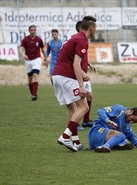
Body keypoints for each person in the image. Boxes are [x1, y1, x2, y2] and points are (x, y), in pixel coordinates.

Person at [52, 16, 97, 152]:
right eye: (95, 28)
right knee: (84, 108)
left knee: (72, 109)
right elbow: (76, 64)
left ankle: (76, 142)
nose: (96, 30)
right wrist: (81, 85)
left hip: (57, 76)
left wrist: (84, 73)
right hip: (67, 77)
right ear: (91, 28)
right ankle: (65, 136)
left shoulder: (74, 37)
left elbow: (69, 59)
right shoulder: (82, 40)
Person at [76, 20, 96, 130]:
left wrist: (89, 64)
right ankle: (76, 122)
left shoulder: (85, 41)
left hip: (84, 72)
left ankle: (86, 120)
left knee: (89, 96)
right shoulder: (78, 40)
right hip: (77, 74)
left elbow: (82, 57)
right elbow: (74, 60)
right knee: (77, 100)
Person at [19, 25, 47, 101]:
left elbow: (43, 49)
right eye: (31, 30)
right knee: (30, 79)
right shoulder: (25, 39)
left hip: (37, 60)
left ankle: (34, 94)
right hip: (28, 61)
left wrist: (45, 59)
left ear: (36, 31)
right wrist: (23, 54)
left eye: (34, 30)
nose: (33, 31)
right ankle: (32, 94)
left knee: (35, 75)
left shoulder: (38, 39)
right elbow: (21, 48)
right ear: (29, 31)